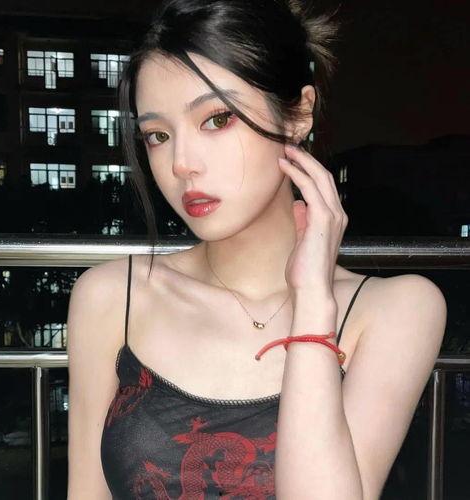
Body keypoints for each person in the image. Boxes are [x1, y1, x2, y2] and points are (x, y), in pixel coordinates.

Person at [66, 1, 447, 498]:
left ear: (299, 114)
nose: (181, 163)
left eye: (217, 119)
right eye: (157, 135)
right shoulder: (111, 296)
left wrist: (313, 302)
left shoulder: (396, 309)